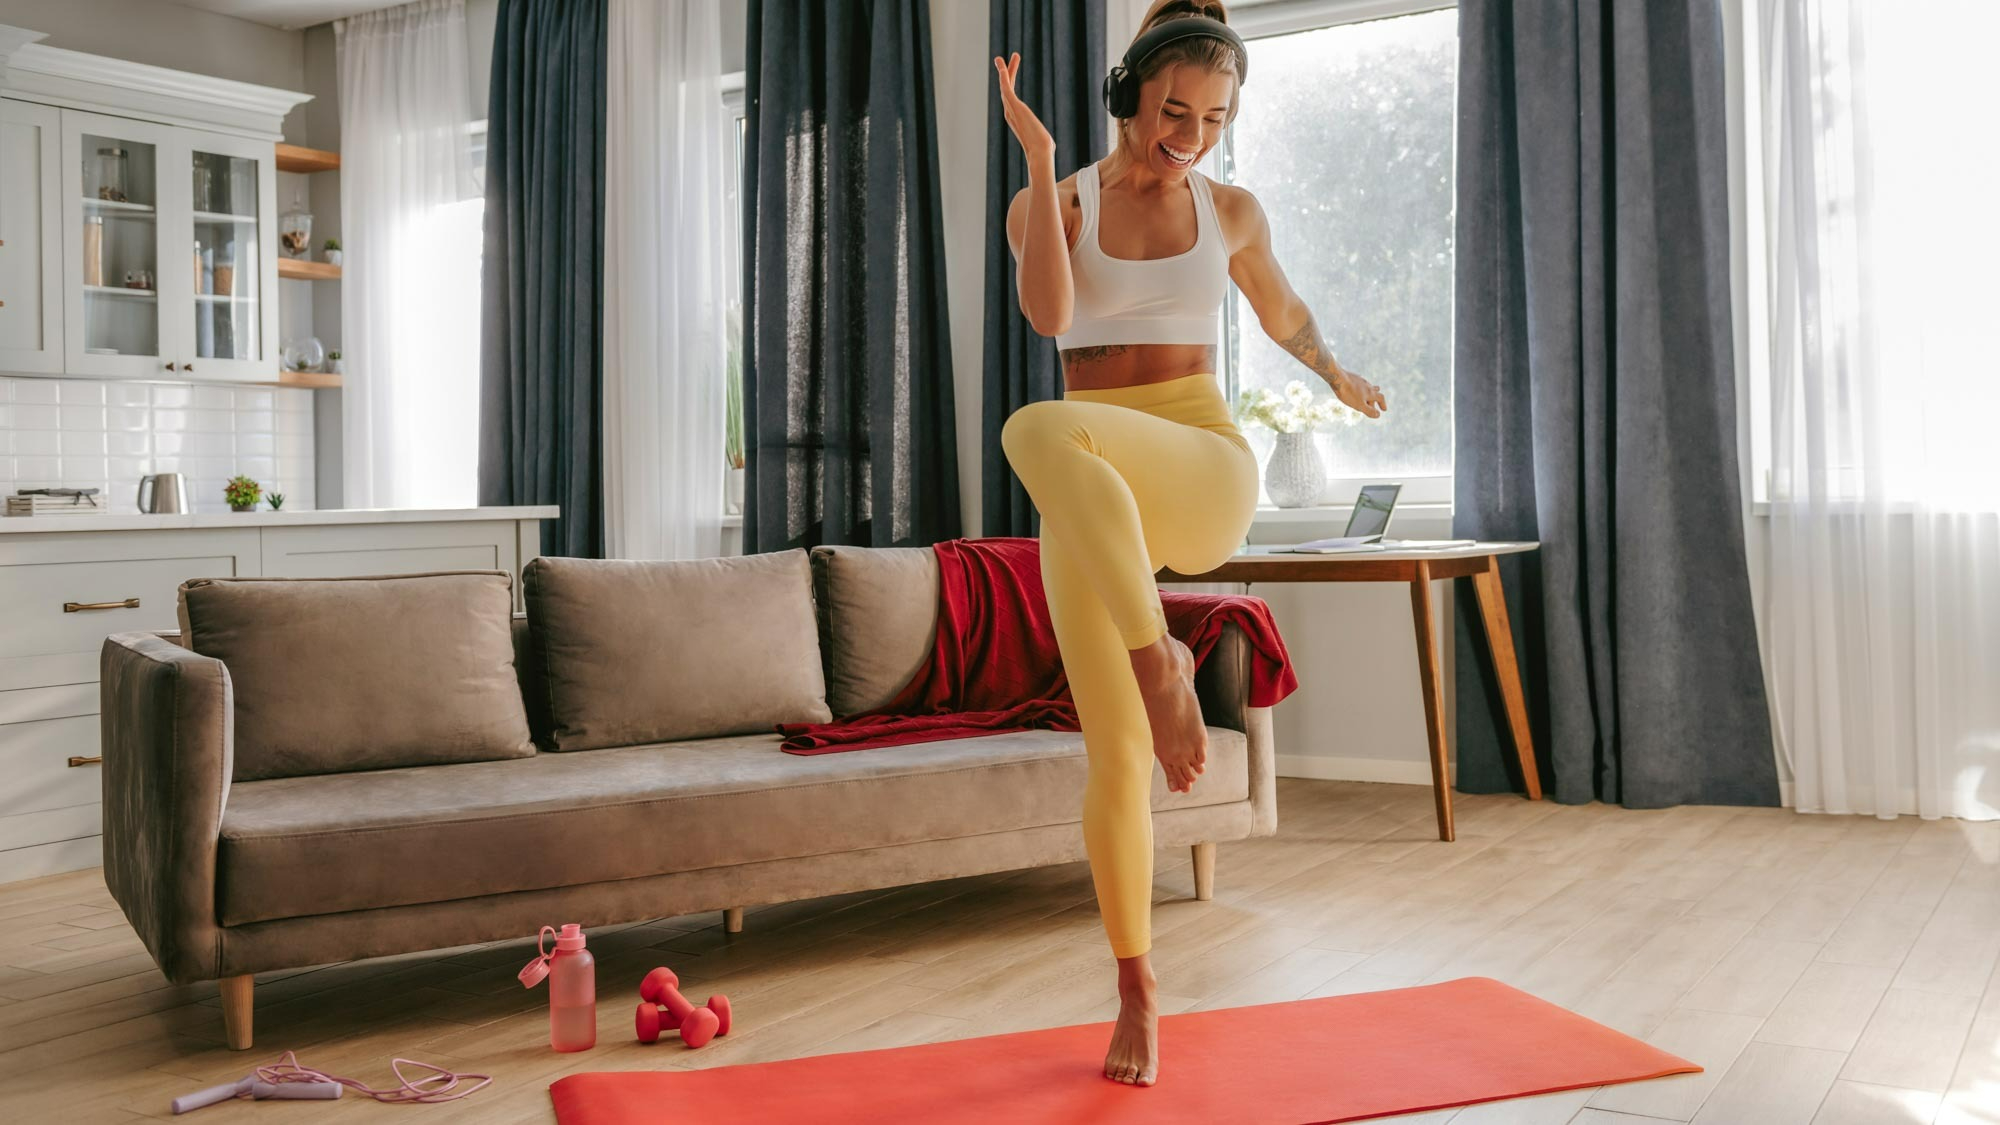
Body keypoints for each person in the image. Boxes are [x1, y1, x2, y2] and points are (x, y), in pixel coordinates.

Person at [992, 0, 1388, 1088]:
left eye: (1213, 118)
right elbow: (1046, 318)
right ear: (1128, 94)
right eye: (1173, 110)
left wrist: (1331, 369)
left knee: (1032, 427)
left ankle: (1162, 659)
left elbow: (1279, 309)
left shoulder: (1233, 210)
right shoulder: (1056, 202)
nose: (1191, 135)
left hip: (1200, 465)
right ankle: (1136, 987)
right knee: (1113, 757)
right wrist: (1034, 162)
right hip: (1092, 491)